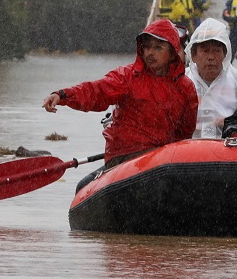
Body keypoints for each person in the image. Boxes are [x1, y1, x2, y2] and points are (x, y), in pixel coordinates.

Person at [42, 18, 198, 190]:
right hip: (124, 156)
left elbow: (185, 131)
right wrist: (63, 95)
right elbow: (97, 91)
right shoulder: (128, 76)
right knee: (85, 186)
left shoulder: (186, 87)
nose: (150, 53)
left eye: (158, 47)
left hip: (161, 159)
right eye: (147, 47)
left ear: (172, 52)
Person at [185, 18, 237, 138]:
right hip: (187, 153)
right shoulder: (180, 82)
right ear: (193, 55)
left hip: (229, 152)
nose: (211, 57)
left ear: (225, 55)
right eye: (205, 51)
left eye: (216, 51)